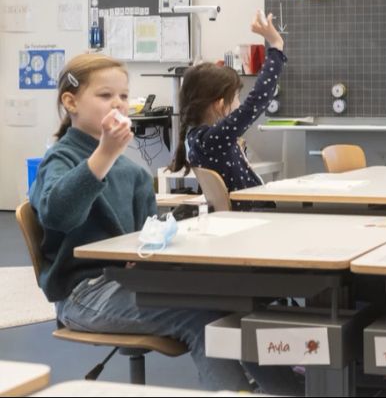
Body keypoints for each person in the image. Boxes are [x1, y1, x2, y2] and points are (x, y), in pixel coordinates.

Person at [29, 53, 299, 393]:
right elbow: (59, 214)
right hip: (84, 294)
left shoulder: (132, 172)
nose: (118, 104)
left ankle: (289, 392)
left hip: (129, 282)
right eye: (105, 96)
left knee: (239, 303)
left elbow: (149, 234)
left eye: (124, 96)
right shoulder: (62, 158)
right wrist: (104, 155)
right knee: (204, 319)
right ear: (71, 102)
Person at [169, 12, 284, 203]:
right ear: (220, 104)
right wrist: (276, 47)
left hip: (248, 215)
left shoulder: (199, 137)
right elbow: (255, 103)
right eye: (237, 97)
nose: (239, 104)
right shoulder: (213, 139)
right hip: (251, 217)